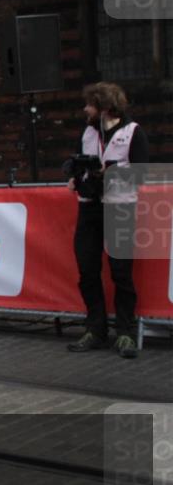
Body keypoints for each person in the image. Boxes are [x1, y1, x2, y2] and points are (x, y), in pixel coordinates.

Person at [66, 82, 148, 359]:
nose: (85, 109)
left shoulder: (133, 132)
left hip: (120, 209)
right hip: (89, 209)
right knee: (87, 270)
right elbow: (80, 167)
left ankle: (125, 332)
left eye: (90, 104)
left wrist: (109, 173)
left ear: (104, 107)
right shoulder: (88, 132)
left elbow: (140, 174)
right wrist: (75, 178)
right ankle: (95, 328)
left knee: (121, 273)